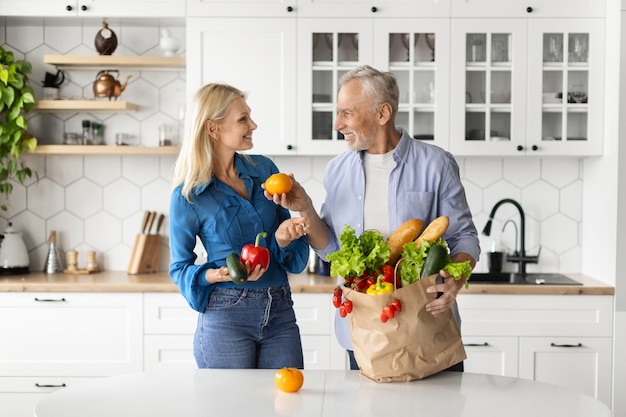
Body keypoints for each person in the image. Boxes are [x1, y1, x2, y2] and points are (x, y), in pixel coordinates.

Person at [269, 65, 480, 370]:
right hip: (366, 329)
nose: (337, 123)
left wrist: (455, 280)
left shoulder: (436, 164)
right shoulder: (337, 170)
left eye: (347, 113)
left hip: (426, 326)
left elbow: (464, 237)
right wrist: (306, 208)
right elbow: (333, 252)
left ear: (382, 114)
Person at [168, 83, 311, 369]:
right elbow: (179, 268)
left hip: (280, 308)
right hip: (226, 313)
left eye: (250, 116)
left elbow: (288, 241)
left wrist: (285, 237)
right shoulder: (189, 195)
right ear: (213, 129)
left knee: (287, 406)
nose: (253, 124)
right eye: (243, 119)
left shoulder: (265, 171)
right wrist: (214, 275)